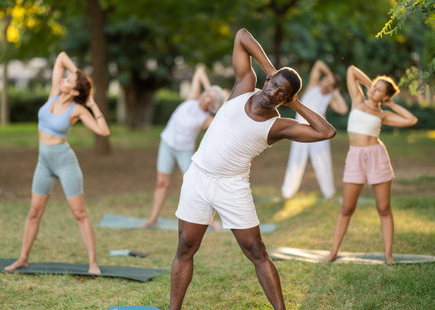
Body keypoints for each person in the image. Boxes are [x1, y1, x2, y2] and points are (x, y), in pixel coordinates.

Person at [169, 28, 336, 310]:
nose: (272, 93)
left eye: (282, 94)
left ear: (286, 100)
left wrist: (296, 103)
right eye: (273, 85)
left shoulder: (278, 125)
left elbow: (326, 132)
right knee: (185, 247)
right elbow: (242, 35)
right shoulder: (245, 85)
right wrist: (272, 71)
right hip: (198, 176)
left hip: (231, 186)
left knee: (256, 251)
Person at [5, 52, 110, 274]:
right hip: (43, 161)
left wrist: (92, 104)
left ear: (74, 92)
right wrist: (78, 73)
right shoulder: (54, 93)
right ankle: (23, 258)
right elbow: (61, 57)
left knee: (79, 214)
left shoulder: (78, 110)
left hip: (64, 161)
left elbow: (103, 130)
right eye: (65, 77)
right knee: (34, 211)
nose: (63, 79)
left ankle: (93, 262)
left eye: (69, 80)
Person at [324, 65, 418, 264]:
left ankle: (388, 255)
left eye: (378, 90)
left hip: (377, 156)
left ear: (384, 97)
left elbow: (411, 120)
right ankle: (333, 252)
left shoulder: (383, 115)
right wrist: (373, 85)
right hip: (355, 157)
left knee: (384, 208)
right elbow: (350, 70)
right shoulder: (357, 100)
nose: (373, 90)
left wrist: (390, 104)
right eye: (373, 86)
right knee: (346, 208)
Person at [142, 65, 224, 229]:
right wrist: (212, 90)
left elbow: (224, 121)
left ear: (212, 105)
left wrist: (217, 99)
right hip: (166, 144)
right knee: (161, 183)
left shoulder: (207, 119)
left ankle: (209, 221)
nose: (205, 95)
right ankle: (153, 219)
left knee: (194, 186)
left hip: (184, 151)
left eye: (210, 98)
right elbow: (200, 71)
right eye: (206, 93)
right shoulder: (192, 98)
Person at [281, 60, 348, 200]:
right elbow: (318, 64)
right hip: (300, 128)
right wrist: (331, 75)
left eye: (329, 82)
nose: (325, 81)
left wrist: (335, 92)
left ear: (331, 86)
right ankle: (287, 193)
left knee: (323, 161)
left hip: (319, 131)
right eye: (325, 79)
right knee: (296, 160)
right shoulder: (313, 86)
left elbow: (343, 109)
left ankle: (328, 193)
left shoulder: (329, 98)